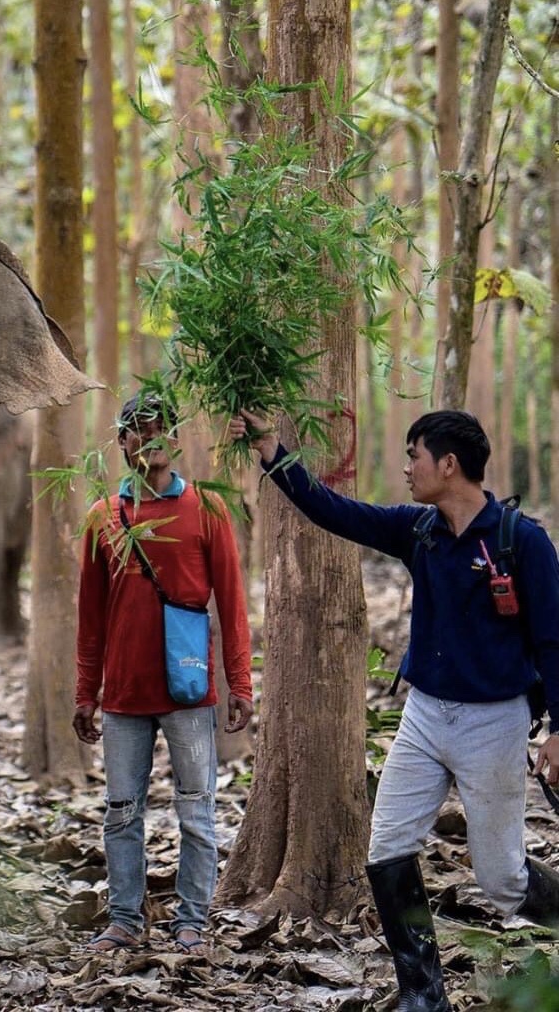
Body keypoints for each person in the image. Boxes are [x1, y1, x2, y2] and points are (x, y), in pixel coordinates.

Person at [229, 407, 559, 1012]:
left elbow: (554, 639)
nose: (407, 468)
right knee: (385, 850)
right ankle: (422, 993)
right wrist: (274, 454)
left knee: (502, 880)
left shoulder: (522, 541)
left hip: (495, 721)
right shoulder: (419, 530)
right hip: (426, 718)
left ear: (448, 464)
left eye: (415, 456)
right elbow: (337, 512)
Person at [74, 392, 254, 955]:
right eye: (136, 431)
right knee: (122, 812)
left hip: (189, 692)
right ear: (122, 442)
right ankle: (125, 919)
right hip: (125, 696)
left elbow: (232, 600)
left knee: (196, 812)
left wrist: (240, 683)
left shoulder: (207, 509)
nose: (149, 440)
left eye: (159, 429)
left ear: (175, 438)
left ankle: (192, 922)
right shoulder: (103, 517)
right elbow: (90, 614)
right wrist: (86, 691)